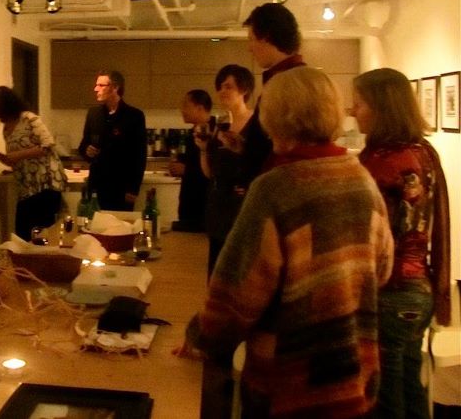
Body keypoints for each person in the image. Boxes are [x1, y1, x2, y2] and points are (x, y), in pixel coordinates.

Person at [175, 67, 394, 418]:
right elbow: (381, 269)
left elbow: (237, 297)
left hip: (288, 386)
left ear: (276, 118)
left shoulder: (275, 188)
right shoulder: (361, 179)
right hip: (353, 377)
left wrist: (199, 337)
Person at [352, 68, 451, 419]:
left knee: (386, 399)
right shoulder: (423, 151)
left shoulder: (384, 161)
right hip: (419, 288)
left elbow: (370, 233)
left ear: (382, 107)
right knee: (411, 386)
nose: (353, 111)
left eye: (359, 104)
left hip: (391, 290)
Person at [196, 65, 255, 277]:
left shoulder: (257, 124)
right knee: (216, 270)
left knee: (241, 270)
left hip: (244, 206)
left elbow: (262, 164)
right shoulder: (218, 125)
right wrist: (203, 149)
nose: (222, 91)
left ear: (244, 89)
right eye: (220, 87)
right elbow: (209, 173)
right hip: (218, 205)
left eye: (228, 86)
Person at [0, 86, 67, 241]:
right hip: (26, 189)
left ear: (3, 102)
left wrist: (18, 155)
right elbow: (12, 161)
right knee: (22, 236)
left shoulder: (29, 118)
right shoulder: (6, 129)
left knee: (43, 236)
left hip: (45, 184)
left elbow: (48, 145)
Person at [240, 3, 306, 181]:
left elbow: (289, 147)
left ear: (267, 37)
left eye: (252, 39)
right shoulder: (291, 77)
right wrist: (244, 147)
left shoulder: (290, 83)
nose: (249, 48)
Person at [78, 70, 147, 210]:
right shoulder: (93, 114)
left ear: (115, 87)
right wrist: (87, 151)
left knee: (121, 222)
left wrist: (133, 188)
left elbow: (140, 155)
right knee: (94, 221)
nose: (95, 89)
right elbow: (83, 145)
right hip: (97, 184)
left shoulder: (134, 116)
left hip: (121, 186)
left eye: (101, 85)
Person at [169, 89, 211, 233]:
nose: (182, 110)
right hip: (188, 202)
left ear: (199, 108)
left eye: (186, 105)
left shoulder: (214, 133)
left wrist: (186, 169)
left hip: (203, 205)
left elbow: (214, 169)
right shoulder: (191, 133)